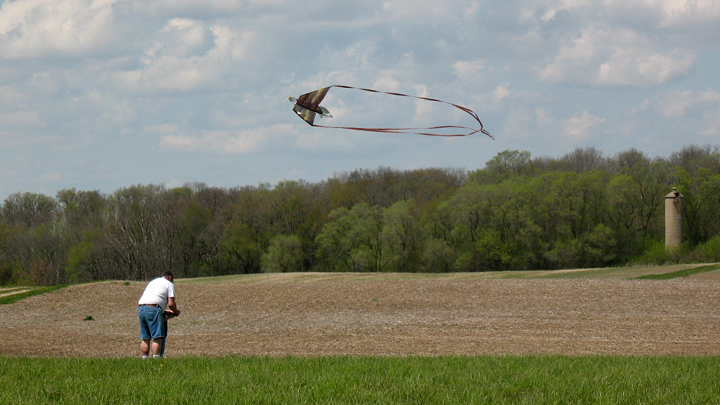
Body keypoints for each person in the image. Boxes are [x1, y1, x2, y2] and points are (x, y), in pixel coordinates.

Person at [138, 271, 180, 358]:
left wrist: (163, 311)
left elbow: (154, 297)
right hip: (154, 308)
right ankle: (156, 358)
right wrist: (176, 312)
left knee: (145, 337)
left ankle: (144, 359)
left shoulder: (153, 282)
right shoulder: (169, 284)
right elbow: (171, 304)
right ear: (170, 278)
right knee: (158, 336)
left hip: (141, 308)